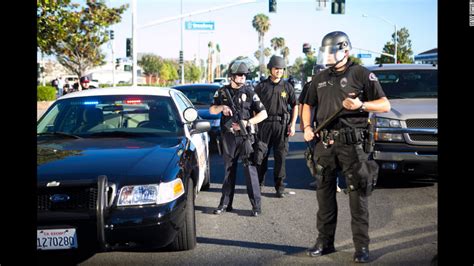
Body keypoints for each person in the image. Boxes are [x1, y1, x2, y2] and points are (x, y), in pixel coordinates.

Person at [301, 31, 390, 263]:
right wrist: (307, 127)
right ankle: (324, 242)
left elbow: (385, 105)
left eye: (333, 51)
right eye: (326, 51)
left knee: (357, 198)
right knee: (324, 197)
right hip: (325, 144)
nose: (328, 55)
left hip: (353, 145)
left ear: (346, 51)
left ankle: (361, 247)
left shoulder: (361, 74)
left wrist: (362, 104)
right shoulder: (319, 78)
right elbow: (307, 104)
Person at [210, 59, 268, 217]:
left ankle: (256, 206)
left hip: (245, 136)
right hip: (228, 137)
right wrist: (222, 107)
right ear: (231, 76)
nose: (242, 77)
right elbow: (212, 110)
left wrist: (248, 122)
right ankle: (225, 204)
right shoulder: (222, 92)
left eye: (244, 75)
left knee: (250, 170)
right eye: (239, 75)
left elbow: (263, 113)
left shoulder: (250, 92)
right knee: (229, 171)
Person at [254, 55, 298, 198]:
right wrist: (254, 124)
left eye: (281, 69)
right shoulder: (261, 86)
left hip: (281, 125)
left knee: (280, 157)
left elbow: (295, 106)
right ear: (270, 69)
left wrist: (292, 124)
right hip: (264, 125)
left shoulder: (287, 87)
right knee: (261, 156)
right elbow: (253, 106)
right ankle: (259, 184)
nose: (279, 71)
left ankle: (279, 187)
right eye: (276, 68)